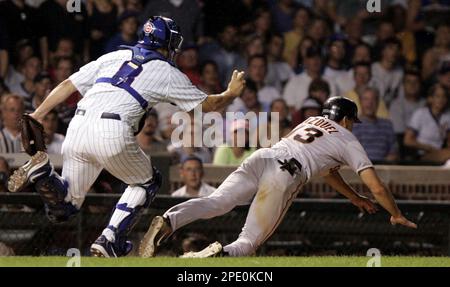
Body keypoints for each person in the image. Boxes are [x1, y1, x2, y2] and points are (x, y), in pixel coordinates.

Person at [7, 16, 246, 258]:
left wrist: (38, 113)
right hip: (112, 129)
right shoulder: (165, 70)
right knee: (147, 181)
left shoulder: (112, 56)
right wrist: (230, 93)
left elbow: (69, 84)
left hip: (78, 124)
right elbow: (206, 105)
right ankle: (110, 238)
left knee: (65, 207)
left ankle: (44, 172)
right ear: (168, 43)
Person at [138, 97, 417, 258]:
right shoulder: (347, 139)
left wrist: (354, 197)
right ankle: (216, 257)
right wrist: (395, 214)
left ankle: (170, 220)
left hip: (263, 157)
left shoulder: (309, 123)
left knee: (217, 202)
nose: (351, 126)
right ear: (345, 119)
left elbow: (327, 172)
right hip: (286, 174)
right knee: (248, 242)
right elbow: (377, 187)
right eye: (351, 121)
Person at [403, 84, 450, 163]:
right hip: (422, 154)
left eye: (444, 97)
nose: (441, 100)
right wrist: (428, 148)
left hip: (441, 152)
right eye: (437, 96)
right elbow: (407, 140)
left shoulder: (447, 117)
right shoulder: (420, 114)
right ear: (430, 98)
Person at [352, 88, 398, 163]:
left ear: (378, 102)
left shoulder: (387, 125)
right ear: (360, 102)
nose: (370, 103)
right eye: (366, 99)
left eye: (373, 99)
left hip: (383, 169)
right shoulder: (351, 125)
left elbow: (393, 152)